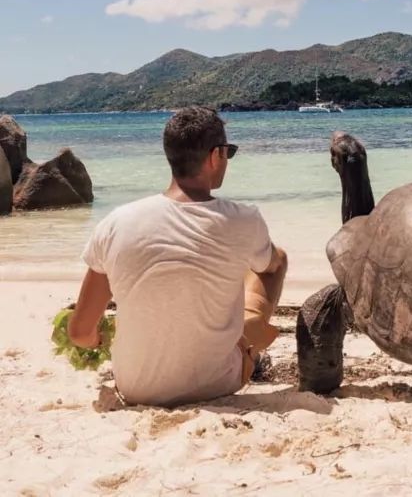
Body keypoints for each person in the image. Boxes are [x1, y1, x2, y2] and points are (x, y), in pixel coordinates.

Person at [68, 106, 287, 406]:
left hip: (135, 388)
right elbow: (271, 265)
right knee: (274, 260)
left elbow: (79, 333)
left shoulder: (117, 222)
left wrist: (99, 340)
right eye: (229, 152)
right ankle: (252, 332)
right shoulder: (243, 220)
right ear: (215, 156)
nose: (227, 160)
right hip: (218, 383)